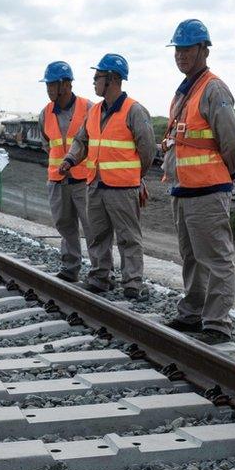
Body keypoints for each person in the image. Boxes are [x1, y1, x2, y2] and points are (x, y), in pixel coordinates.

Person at [160, 19, 235, 345]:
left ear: (204, 50)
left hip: (207, 190)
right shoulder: (185, 91)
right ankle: (193, 312)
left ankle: (217, 323)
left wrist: (226, 176)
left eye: (187, 49)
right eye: (177, 49)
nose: (180, 55)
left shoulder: (213, 89)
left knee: (216, 259)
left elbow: (232, 142)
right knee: (192, 257)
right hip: (184, 189)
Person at [61, 53, 157, 301]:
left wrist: (135, 177)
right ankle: (100, 278)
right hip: (96, 185)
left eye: (97, 77)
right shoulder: (94, 113)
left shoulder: (134, 110)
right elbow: (82, 141)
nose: (94, 82)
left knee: (128, 237)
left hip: (123, 188)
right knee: (97, 235)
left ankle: (132, 283)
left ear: (112, 79)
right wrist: (71, 159)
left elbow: (147, 150)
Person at [38, 61, 93, 282]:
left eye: (52, 84)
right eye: (48, 85)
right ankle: (70, 268)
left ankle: (101, 272)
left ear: (66, 84)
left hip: (83, 180)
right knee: (65, 225)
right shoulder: (45, 113)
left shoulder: (88, 108)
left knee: (92, 228)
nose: (49, 89)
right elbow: (46, 144)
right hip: (57, 181)